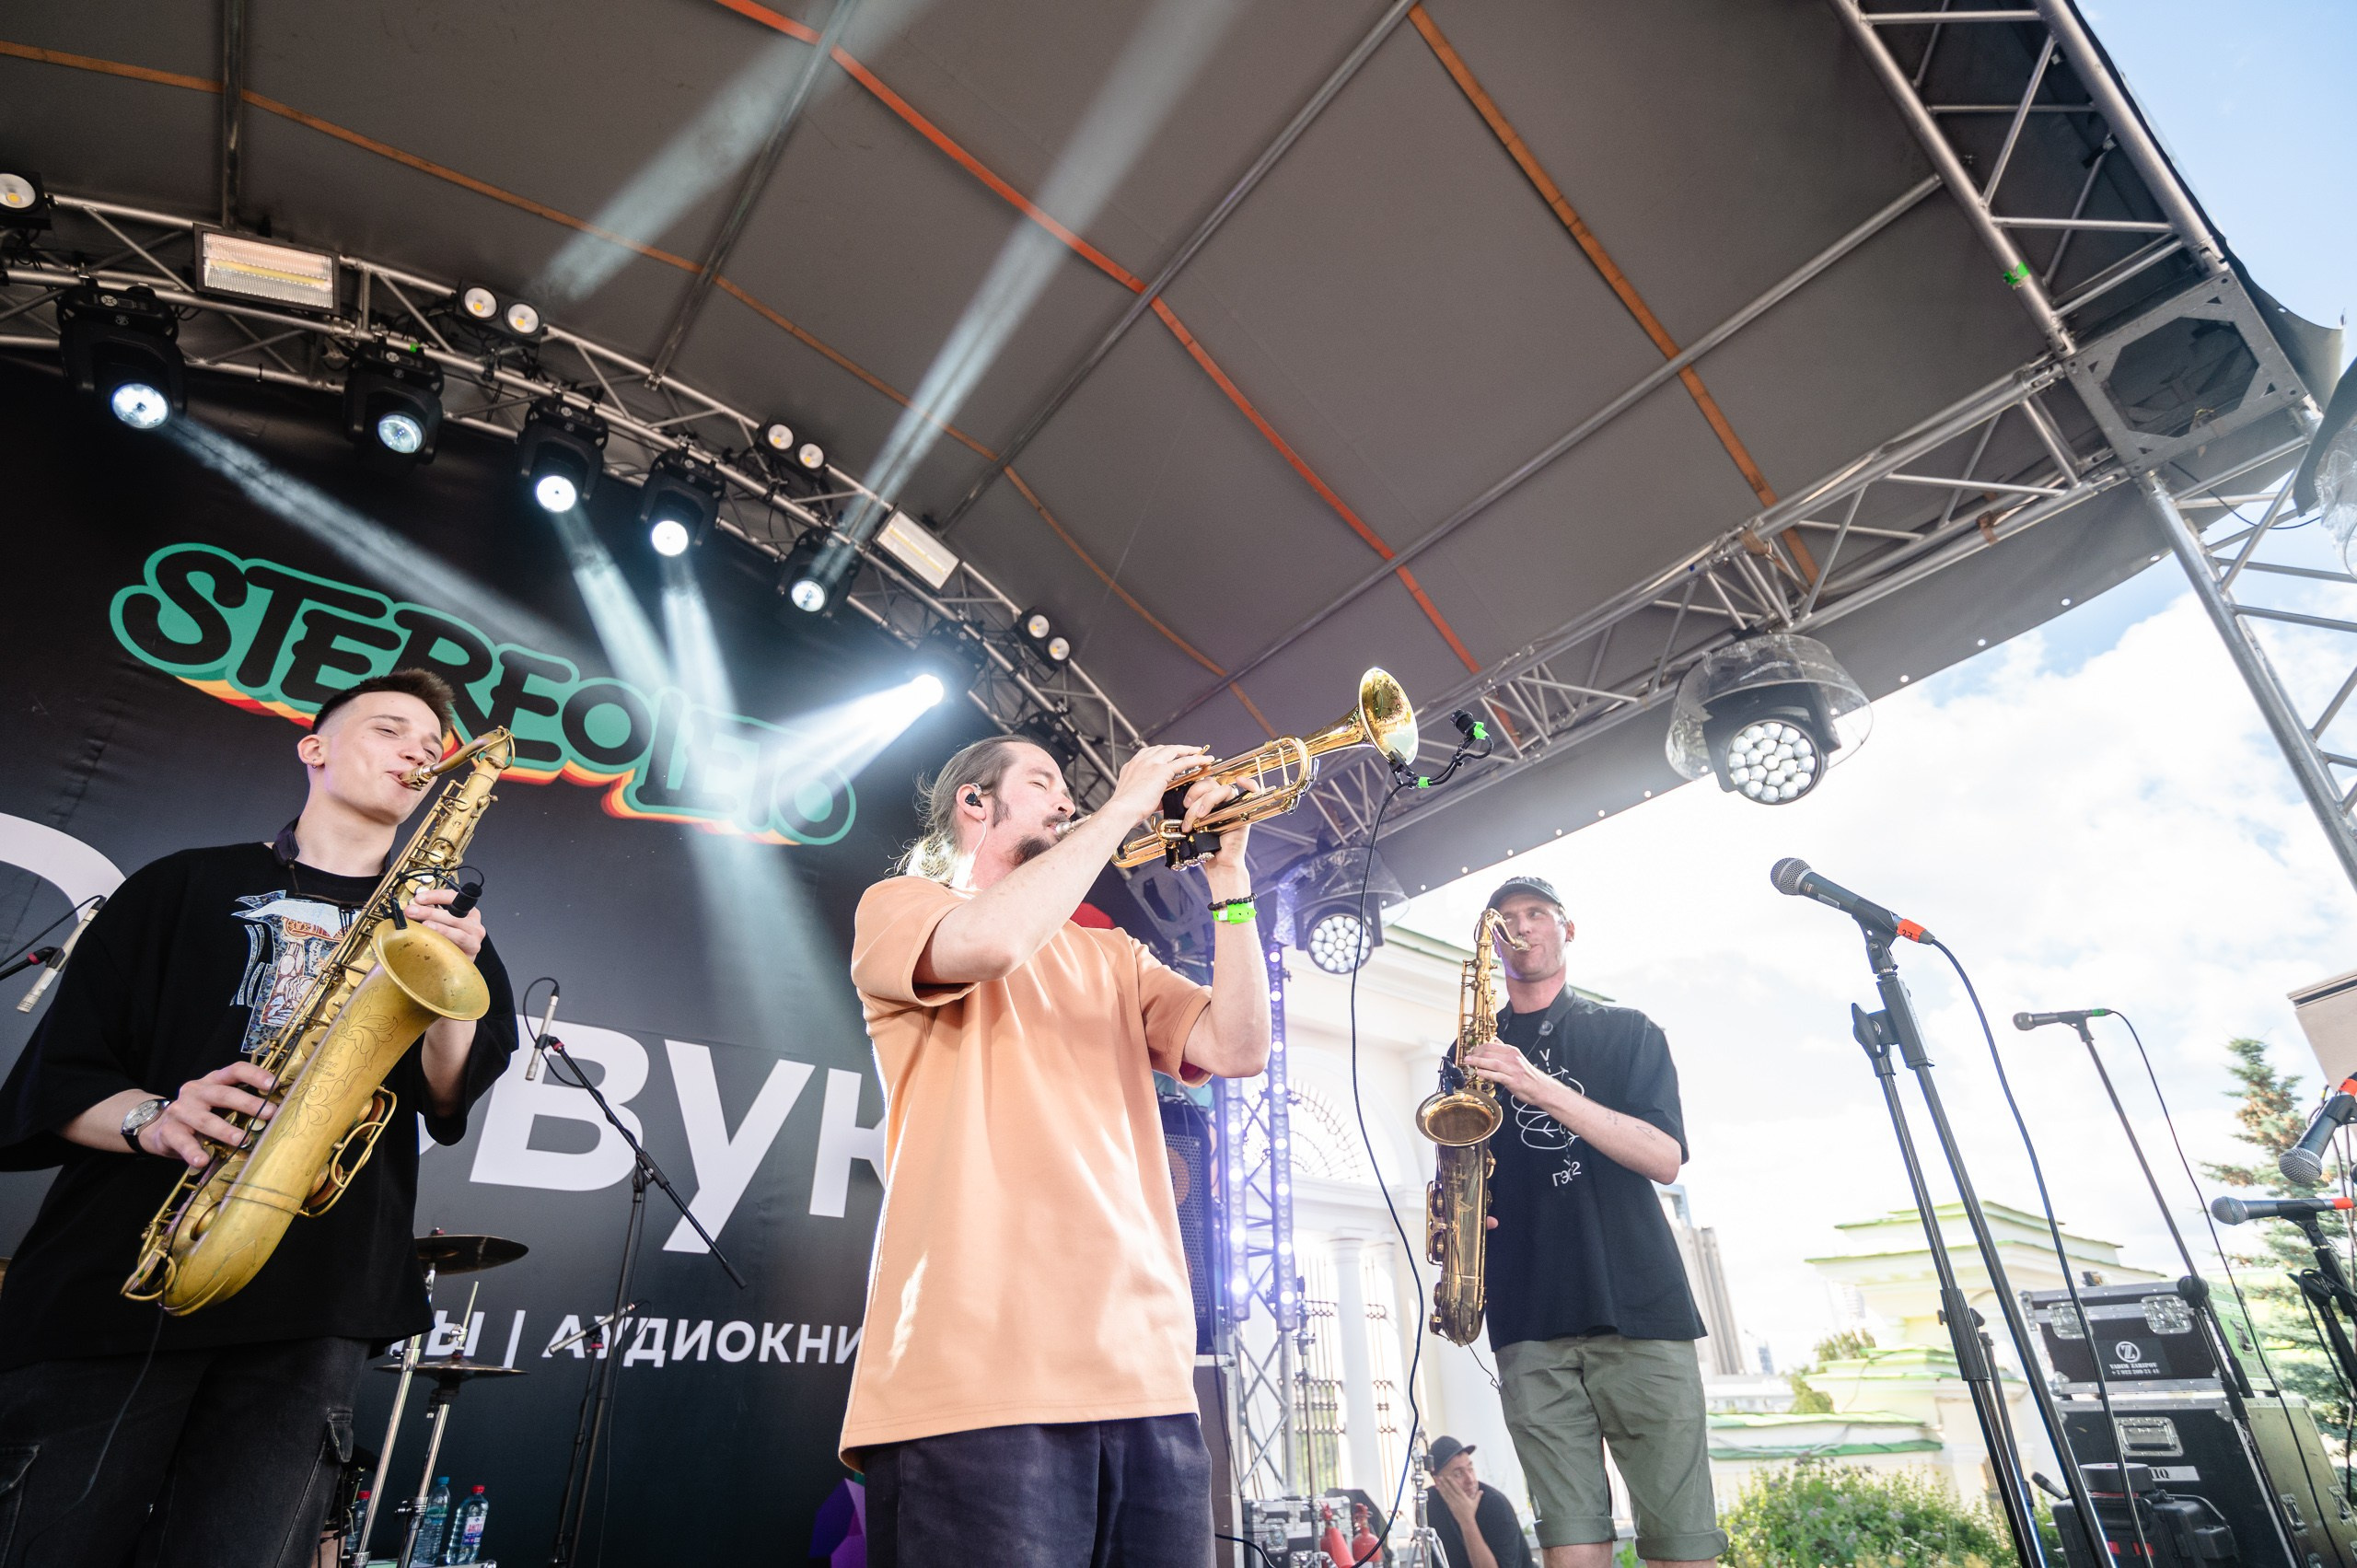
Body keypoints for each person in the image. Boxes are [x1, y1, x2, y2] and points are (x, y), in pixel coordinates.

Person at [0, 669, 518, 1568]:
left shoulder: (448, 927)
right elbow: (61, 1075)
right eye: (391, 728)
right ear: (313, 748)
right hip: (120, 1281)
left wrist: (451, 988)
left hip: (314, 1304)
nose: (418, 749)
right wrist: (156, 1116)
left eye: (430, 745)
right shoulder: (178, 884)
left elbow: (447, 1096)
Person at [842, 735, 1272, 1566]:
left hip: (1147, 1378)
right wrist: (1124, 807)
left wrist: (1231, 882)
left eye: (1071, 791)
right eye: (1042, 782)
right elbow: (993, 945)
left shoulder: (1112, 954)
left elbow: (1240, 1044)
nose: (1067, 799)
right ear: (975, 802)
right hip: (976, 1382)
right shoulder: (900, 904)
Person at [1460, 875, 1725, 1568]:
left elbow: (1663, 1156)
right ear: (1491, 942)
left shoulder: (1627, 1030)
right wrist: (1462, 1216)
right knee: (1569, 1546)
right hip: (1527, 1320)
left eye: (1536, 913)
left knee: (1682, 1544)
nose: (1521, 927)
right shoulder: (1467, 1058)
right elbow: (1462, 1176)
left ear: (1565, 929)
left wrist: (1536, 1085)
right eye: (1506, 919)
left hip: (1640, 1311)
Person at [1426, 1435, 1535, 1568]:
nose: (1470, 1479)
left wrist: (1467, 1521)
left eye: (1470, 1469)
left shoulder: (1495, 1505)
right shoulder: (1430, 1504)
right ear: (1438, 1482)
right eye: (1458, 1474)